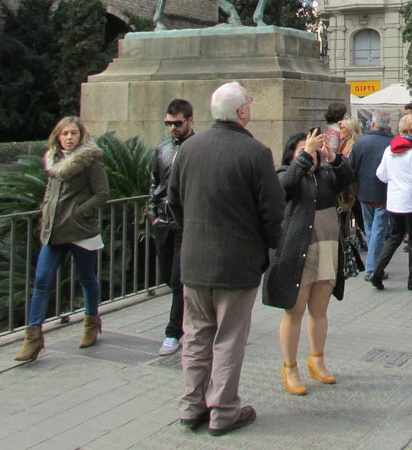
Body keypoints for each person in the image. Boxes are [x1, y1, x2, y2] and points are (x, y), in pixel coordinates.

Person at [167, 82, 284, 437]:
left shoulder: (188, 149)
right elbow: (272, 213)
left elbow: (174, 202)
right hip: (236, 264)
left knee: (197, 337)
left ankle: (191, 406)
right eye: (249, 102)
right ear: (241, 112)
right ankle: (223, 411)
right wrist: (268, 250)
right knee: (229, 339)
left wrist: (194, 235)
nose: (250, 106)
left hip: (195, 262)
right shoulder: (255, 153)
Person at [263, 128, 355, 395]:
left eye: (314, 149)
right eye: (305, 149)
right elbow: (285, 186)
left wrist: (333, 157)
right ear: (294, 153)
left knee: (320, 308)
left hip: (326, 246)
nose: (312, 154)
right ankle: (289, 367)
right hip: (298, 250)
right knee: (295, 309)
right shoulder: (285, 173)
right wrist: (305, 155)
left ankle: (317, 359)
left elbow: (346, 180)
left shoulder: (326, 174)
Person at [14, 116, 109, 362]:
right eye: (64, 133)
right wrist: (46, 213)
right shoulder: (53, 161)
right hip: (54, 231)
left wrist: (79, 212)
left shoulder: (90, 161)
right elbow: (50, 192)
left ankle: (91, 321)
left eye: (73, 133)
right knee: (41, 281)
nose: (69, 138)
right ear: (58, 136)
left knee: (87, 279)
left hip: (80, 231)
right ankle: (33, 337)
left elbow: (102, 194)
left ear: (80, 136)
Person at [147, 99, 195, 357]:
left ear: (190, 120)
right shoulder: (163, 148)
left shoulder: (197, 147)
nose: (173, 128)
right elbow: (154, 182)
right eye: (168, 123)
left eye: (177, 123)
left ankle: (173, 331)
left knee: (178, 278)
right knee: (168, 275)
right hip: (163, 221)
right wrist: (152, 214)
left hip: (186, 222)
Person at [369, 114, 412, 291]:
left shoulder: (389, 149)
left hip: (394, 200)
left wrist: (395, 182)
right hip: (411, 200)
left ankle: (377, 271)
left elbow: (380, 174)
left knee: (394, 237)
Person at [348, 110, 393, 282]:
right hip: (384, 192)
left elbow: (351, 168)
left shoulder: (360, 143)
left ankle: (373, 265)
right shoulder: (392, 143)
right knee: (379, 228)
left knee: (370, 227)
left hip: (364, 192)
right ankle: (372, 268)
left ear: (373, 123)